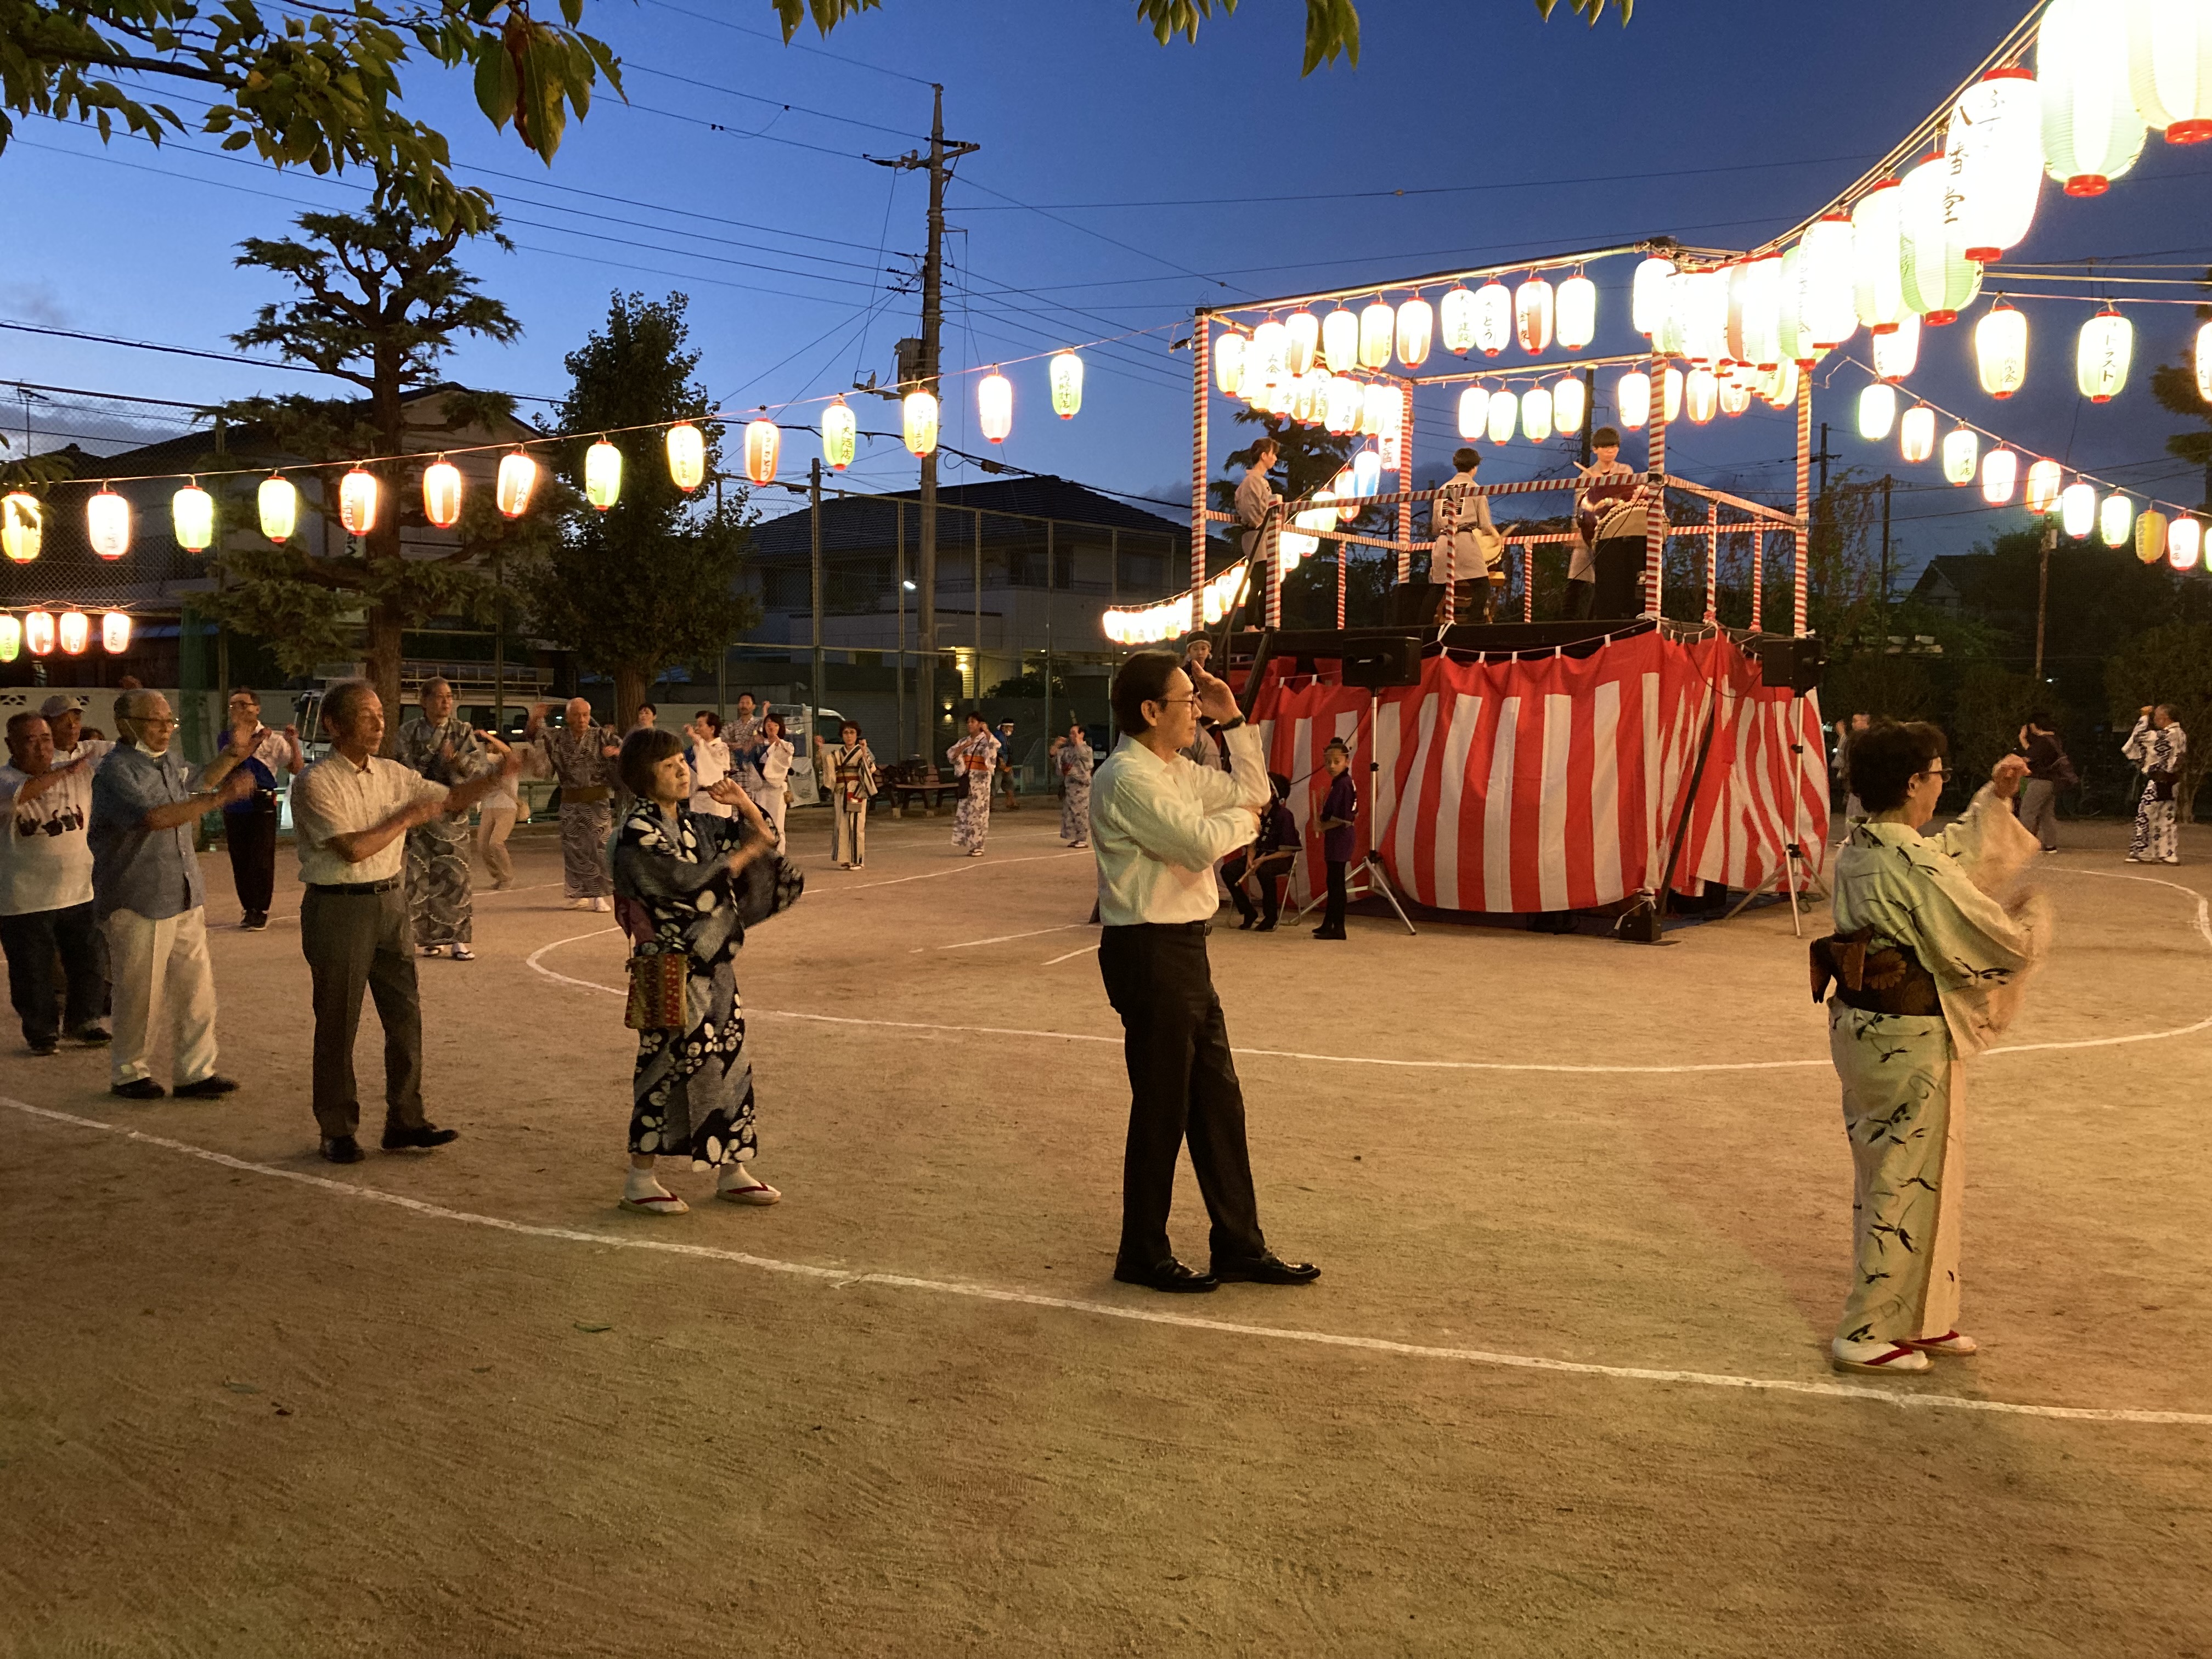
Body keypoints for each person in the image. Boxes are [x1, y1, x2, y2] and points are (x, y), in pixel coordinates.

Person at [1814, 721, 2049, 1375]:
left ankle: (1920, 1315)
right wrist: (2028, 926)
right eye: (1938, 773)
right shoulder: (1903, 859)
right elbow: (1977, 926)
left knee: (1914, 1170)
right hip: (1907, 1037)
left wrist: (1992, 800)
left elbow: (1945, 857)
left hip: (1870, 1032)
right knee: (1903, 1175)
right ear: (1913, 781)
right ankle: (1867, 1328)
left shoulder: (1867, 845)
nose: (1940, 784)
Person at [1091, 648, 1319, 1294]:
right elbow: (1197, 844)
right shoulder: (1126, 777)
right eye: (1188, 701)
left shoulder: (1176, 769)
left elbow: (1255, 793)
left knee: (1219, 1102)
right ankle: (1142, 1250)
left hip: (1184, 948)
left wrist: (1234, 719)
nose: (1196, 709)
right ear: (1149, 710)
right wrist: (1242, 824)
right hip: (1148, 949)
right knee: (1164, 1105)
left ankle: (1240, 1244)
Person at [291, 679, 518, 1164]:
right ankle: (337, 1127)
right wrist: (407, 819)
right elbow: (351, 850)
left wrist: (499, 775)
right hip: (339, 905)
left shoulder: (392, 773)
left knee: (404, 1016)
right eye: (367, 716)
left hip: (390, 900)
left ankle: (406, 1120)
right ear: (334, 725)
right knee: (338, 1021)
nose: (378, 725)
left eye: (380, 715)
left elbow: (452, 800)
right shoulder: (315, 782)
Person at [611, 726, 803, 1215]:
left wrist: (741, 801)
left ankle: (732, 1167)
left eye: (682, 761)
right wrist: (736, 860)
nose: (682, 769)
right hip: (669, 968)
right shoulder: (638, 832)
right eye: (670, 764)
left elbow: (766, 838)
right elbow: (687, 882)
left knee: (729, 1062)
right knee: (665, 1068)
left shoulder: (696, 823)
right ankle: (640, 1177)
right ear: (642, 775)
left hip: (714, 965)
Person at [88, 689, 253, 1101]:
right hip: (137, 895)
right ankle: (129, 1072)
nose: (165, 729)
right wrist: (218, 800)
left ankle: (196, 1071)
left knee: (197, 989)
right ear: (126, 724)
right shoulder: (115, 771)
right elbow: (154, 817)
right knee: (139, 991)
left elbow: (198, 780)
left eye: (169, 722)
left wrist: (233, 755)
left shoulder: (167, 763)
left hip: (181, 890)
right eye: (155, 722)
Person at [0, 713, 109, 1054]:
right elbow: (23, 793)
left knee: (88, 962)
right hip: (24, 897)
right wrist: (65, 769)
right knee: (33, 970)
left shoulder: (78, 771)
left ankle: (84, 1020)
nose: (40, 747)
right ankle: (42, 1030)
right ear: (11, 746)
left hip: (78, 890)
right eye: (29, 740)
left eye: (45, 739)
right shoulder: (5, 779)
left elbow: (120, 751)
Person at [397, 677, 493, 961]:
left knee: (456, 876)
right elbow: (402, 768)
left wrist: (456, 761)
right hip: (420, 813)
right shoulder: (408, 732)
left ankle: (458, 940)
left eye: (449, 697)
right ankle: (426, 938)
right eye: (439, 697)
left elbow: (478, 769)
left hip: (453, 813)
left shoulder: (462, 731)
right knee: (419, 876)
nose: (446, 702)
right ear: (423, 700)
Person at [215, 689, 303, 932]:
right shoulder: (227, 737)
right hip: (234, 799)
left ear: (257, 708)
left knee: (261, 856)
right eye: (233, 705)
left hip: (262, 800)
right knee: (240, 857)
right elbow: (234, 757)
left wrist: (293, 741)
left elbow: (296, 767)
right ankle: (248, 908)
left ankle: (261, 909)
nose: (237, 710)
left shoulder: (273, 739)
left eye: (243, 705)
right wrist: (256, 740)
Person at [526, 697, 621, 911]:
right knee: (574, 849)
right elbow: (533, 736)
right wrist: (535, 718)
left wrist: (616, 754)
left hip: (597, 800)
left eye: (586, 715)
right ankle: (579, 893)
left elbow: (628, 749)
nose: (582, 719)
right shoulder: (557, 737)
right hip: (570, 799)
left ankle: (599, 896)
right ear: (568, 717)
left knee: (599, 847)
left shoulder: (602, 736)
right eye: (576, 715)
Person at [1573, 428, 1643, 621]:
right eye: (1605, 447)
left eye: (1614, 446)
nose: (1610, 451)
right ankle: (1597, 619)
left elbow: (1630, 497)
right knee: (1598, 578)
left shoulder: (1625, 470)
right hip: (1596, 531)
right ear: (1595, 449)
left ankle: (1625, 615)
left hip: (1623, 529)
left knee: (1624, 575)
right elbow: (1580, 506)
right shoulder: (1586, 476)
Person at [1432, 447, 1505, 623]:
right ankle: (1472, 628)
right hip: (1463, 540)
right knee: (1481, 586)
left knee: (1437, 590)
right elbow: (1485, 524)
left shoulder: (1443, 489)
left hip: (1442, 541)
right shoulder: (1474, 488)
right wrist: (1496, 536)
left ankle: (1420, 632)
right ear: (1475, 467)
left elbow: (1435, 527)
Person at [1222, 771, 1300, 932]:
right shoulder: (1256, 814)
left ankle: (1270, 917)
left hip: (1279, 858)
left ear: (1272, 793)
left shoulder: (1285, 816)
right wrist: (1251, 857)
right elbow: (1252, 842)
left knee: (1265, 872)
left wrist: (1263, 860)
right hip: (1258, 856)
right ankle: (1248, 911)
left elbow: (1287, 852)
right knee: (1228, 871)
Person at [2123, 704, 2186, 865]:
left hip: (2160, 781)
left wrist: (2144, 717)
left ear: (2166, 718)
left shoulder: (2169, 734)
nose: (2155, 720)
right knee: (2166, 816)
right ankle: (2167, 853)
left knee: (2146, 814)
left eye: (2157, 717)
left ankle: (2145, 851)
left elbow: (2139, 736)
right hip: (2172, 781)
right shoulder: (2180, 734)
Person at [1312, 737, 1356, 940]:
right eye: (1328, 761)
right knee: (1333, 882)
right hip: (1337, 838)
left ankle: (1339, 927)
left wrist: (1322, 825)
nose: (1331, 766)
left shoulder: (1344, 785)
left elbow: (1343, 819)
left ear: (1347, 761)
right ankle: (1328, 923)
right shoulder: (1339, 783)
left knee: (1337, 883)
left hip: (1341, 837)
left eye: (1337, 761)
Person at [2015, 713, 2073, 854]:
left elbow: (2029, 758)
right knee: (2047, 814)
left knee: (2027, 812)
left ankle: (2025, 846)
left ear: (2035, 726)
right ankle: (2050, 845)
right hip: (2052, 781)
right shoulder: (2054, 739)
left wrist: (2022, 739)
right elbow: (2036, 754)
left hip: (2040, 781)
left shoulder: (2043, 742)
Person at [821, 719, 876, 868]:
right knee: (842, 824)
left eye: (852, 732)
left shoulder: (861, 751)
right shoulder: (838, 753)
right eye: (846, 733)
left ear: (857, 734)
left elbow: (871, 768)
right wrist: (820, 749)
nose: (849, 736)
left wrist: (864, 752)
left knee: (857, 824)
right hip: (841, 791)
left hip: (857, 790)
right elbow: (829, 766)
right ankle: (846, 858)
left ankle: (858, 859)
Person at [947, 710, 999, 857]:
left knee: (979, 813)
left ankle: (979, 845)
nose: (970, 724)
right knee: (967, 813)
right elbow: (952, 755)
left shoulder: (986, 740)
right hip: (968, 780)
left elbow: (995, 746)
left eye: (973, 722)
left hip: (980, 782)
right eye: (968, 722)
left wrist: (987, 731)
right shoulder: (965, 741)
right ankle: (971, 844)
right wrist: (964, 747)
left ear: (980, 724)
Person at [746, 712, 795, 853]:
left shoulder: (786, 745)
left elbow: (787, 755)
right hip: (761, 788)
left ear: (781, 727)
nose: (771, 727)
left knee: (777, 823)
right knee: (761, 822)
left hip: (777, 789)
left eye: (775, 724)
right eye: (768, 724)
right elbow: (748, 762)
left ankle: (779, 854)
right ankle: (763, 854)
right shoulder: (758, 745)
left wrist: (777, 742)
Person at [1234, 436, 1280, 583]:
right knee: (1259, 580)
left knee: (1264, 582)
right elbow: (1249, 511)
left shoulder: (1260, 481)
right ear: (1264, 455)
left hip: (1263, 533)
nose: (1275, 458)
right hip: (1256, 533)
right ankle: (1254, 607)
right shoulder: (1251, 481)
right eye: (1273, 454)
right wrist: (1264, 519)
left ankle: (1259, 607)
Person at [42, 695, 114, 771]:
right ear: (47, 724)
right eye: (63, 721)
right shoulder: (41, 760)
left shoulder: (96, 749)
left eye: (76, 719)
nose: (72, 725)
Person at [685, 710, 732, 818]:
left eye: (700, 725)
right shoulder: (696, 749)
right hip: (697, 796)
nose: (697, 729)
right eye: (696, 725)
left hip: (716, 797)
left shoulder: (721, 748)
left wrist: (695, 737)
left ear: (712, 728)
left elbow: (710, 756)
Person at [1056, 718, 1094, 849]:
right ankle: (1076, 838)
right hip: (1070, 786)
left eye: (1075, 733)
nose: (1072, 736)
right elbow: (1057, 758)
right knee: (1070, 813)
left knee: (1081, 812)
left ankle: (1082, 839)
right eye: (1071, 733)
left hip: (1081, 787)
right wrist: (1056, 746)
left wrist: (1078, 741)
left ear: (1082, 734)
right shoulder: (1067, 750)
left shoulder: (1087, 749)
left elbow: (1086, 760)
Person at [995, 718, 1022, 809]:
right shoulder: (999, 736)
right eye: (1010, 727)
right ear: (1003, 728)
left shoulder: (1004, 737)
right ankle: (988, 806)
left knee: (1009, 783)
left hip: (1006, 765)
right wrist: (1001, 761)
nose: (1012, 730)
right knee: (996, 785)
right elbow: (997, 749)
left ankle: (1011, 803)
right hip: (1000, 765)